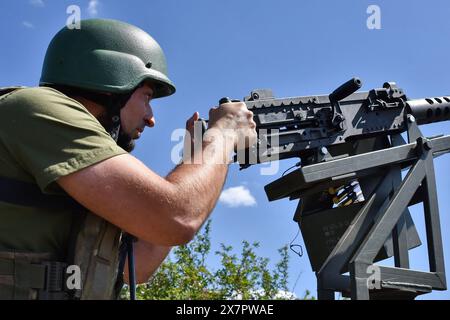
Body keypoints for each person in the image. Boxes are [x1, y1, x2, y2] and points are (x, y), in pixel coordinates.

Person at [0, 18, 256, 300]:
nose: (151, 118)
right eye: (146, 96)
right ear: (112, 84)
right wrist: (224, 134)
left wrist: (199, 156)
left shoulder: (71, 161)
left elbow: (139, 262)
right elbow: (179, 217)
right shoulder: (35, 109)